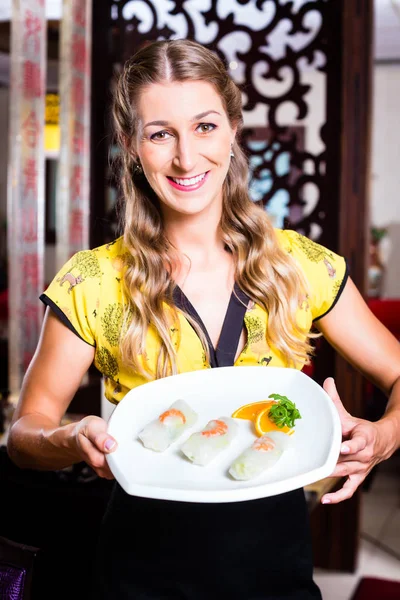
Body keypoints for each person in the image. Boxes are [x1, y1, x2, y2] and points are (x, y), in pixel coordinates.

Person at [7, 39, 400, 600]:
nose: (187, 159)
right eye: (160, 133)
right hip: (139, 576)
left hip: (276, 573)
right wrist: (71, 437)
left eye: (205, 127)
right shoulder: (92, 280)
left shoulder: (300, 265)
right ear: (131, 146)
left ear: (234, 129)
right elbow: (26, 432)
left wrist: (384, 435)